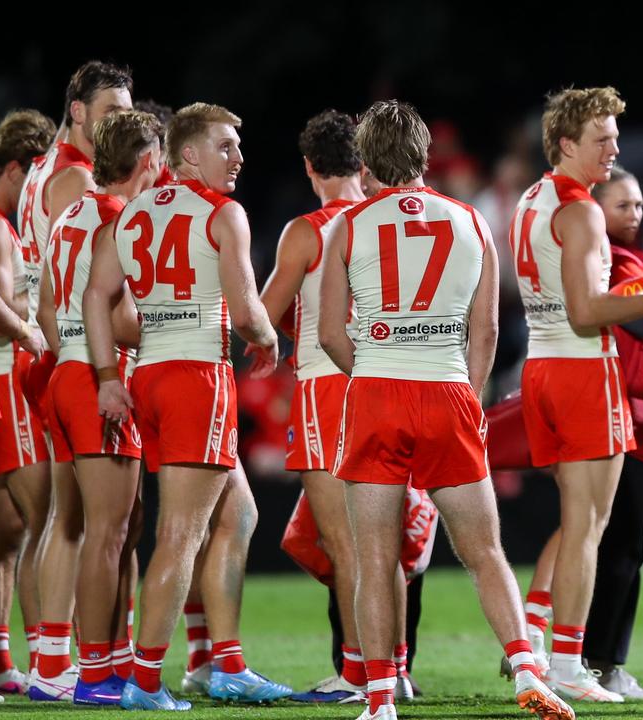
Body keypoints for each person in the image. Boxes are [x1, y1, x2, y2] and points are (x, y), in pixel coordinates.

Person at [319, 99, 573, 720]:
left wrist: (376, 371)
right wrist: (472, 393)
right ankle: (527, 669)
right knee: (485, 550)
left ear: (367, 159)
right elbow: (485, 330)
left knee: (375, 557)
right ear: (426, 153)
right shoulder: (470, 220)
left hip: (377, 392)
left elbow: (329, 334)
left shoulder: (347, 226)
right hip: (449, 390)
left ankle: (379, 699)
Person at [85, 102, 290, 710]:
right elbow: (248, 309)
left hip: (149, 375)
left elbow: (96, 297)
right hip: (198, 376)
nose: (238, 158)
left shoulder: (132, 213)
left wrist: (105, 376)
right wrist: (268, 337)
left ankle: (226, 664)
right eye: (225, 146)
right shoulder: (224, 213)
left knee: (239, 515)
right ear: (189, 154)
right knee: (179, 534)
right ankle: (145, 683)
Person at [509, 86, 643, 703]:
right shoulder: (580, 210)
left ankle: (550, 646)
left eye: (615, 137)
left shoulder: (532, 198)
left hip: (542, 368)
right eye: (601, 139)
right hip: (581, 368)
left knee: (577, 522)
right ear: (566, 142)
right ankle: (570, 664)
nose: (614, 148)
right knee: (588, 527)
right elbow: (585, 311)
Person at [33, 110, 162, 705]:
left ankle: (96, 661)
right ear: (148, 161)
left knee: (106, 526)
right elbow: (118, 319)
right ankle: (92, 675)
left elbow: (46, 308)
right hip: (95, 380)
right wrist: (174, 331)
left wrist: (71, 359)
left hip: (65, 374)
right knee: (107, 534)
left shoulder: (69, 216)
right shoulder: (120, 219)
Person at [257, 109, 369, 702]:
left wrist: (261, 341)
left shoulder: (306, 231)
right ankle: (392, 666)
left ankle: (358, 674)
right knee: (380, 543)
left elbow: (262, 315)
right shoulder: (386, 220)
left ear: (309, 166)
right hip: (388, 383)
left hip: (327, 385)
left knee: (345, 544)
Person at [0, 109, 54, 696]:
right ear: (16, 168)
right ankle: (53, 662)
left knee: (5, 528)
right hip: (4, 377)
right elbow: (1, 300)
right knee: (46, 519)